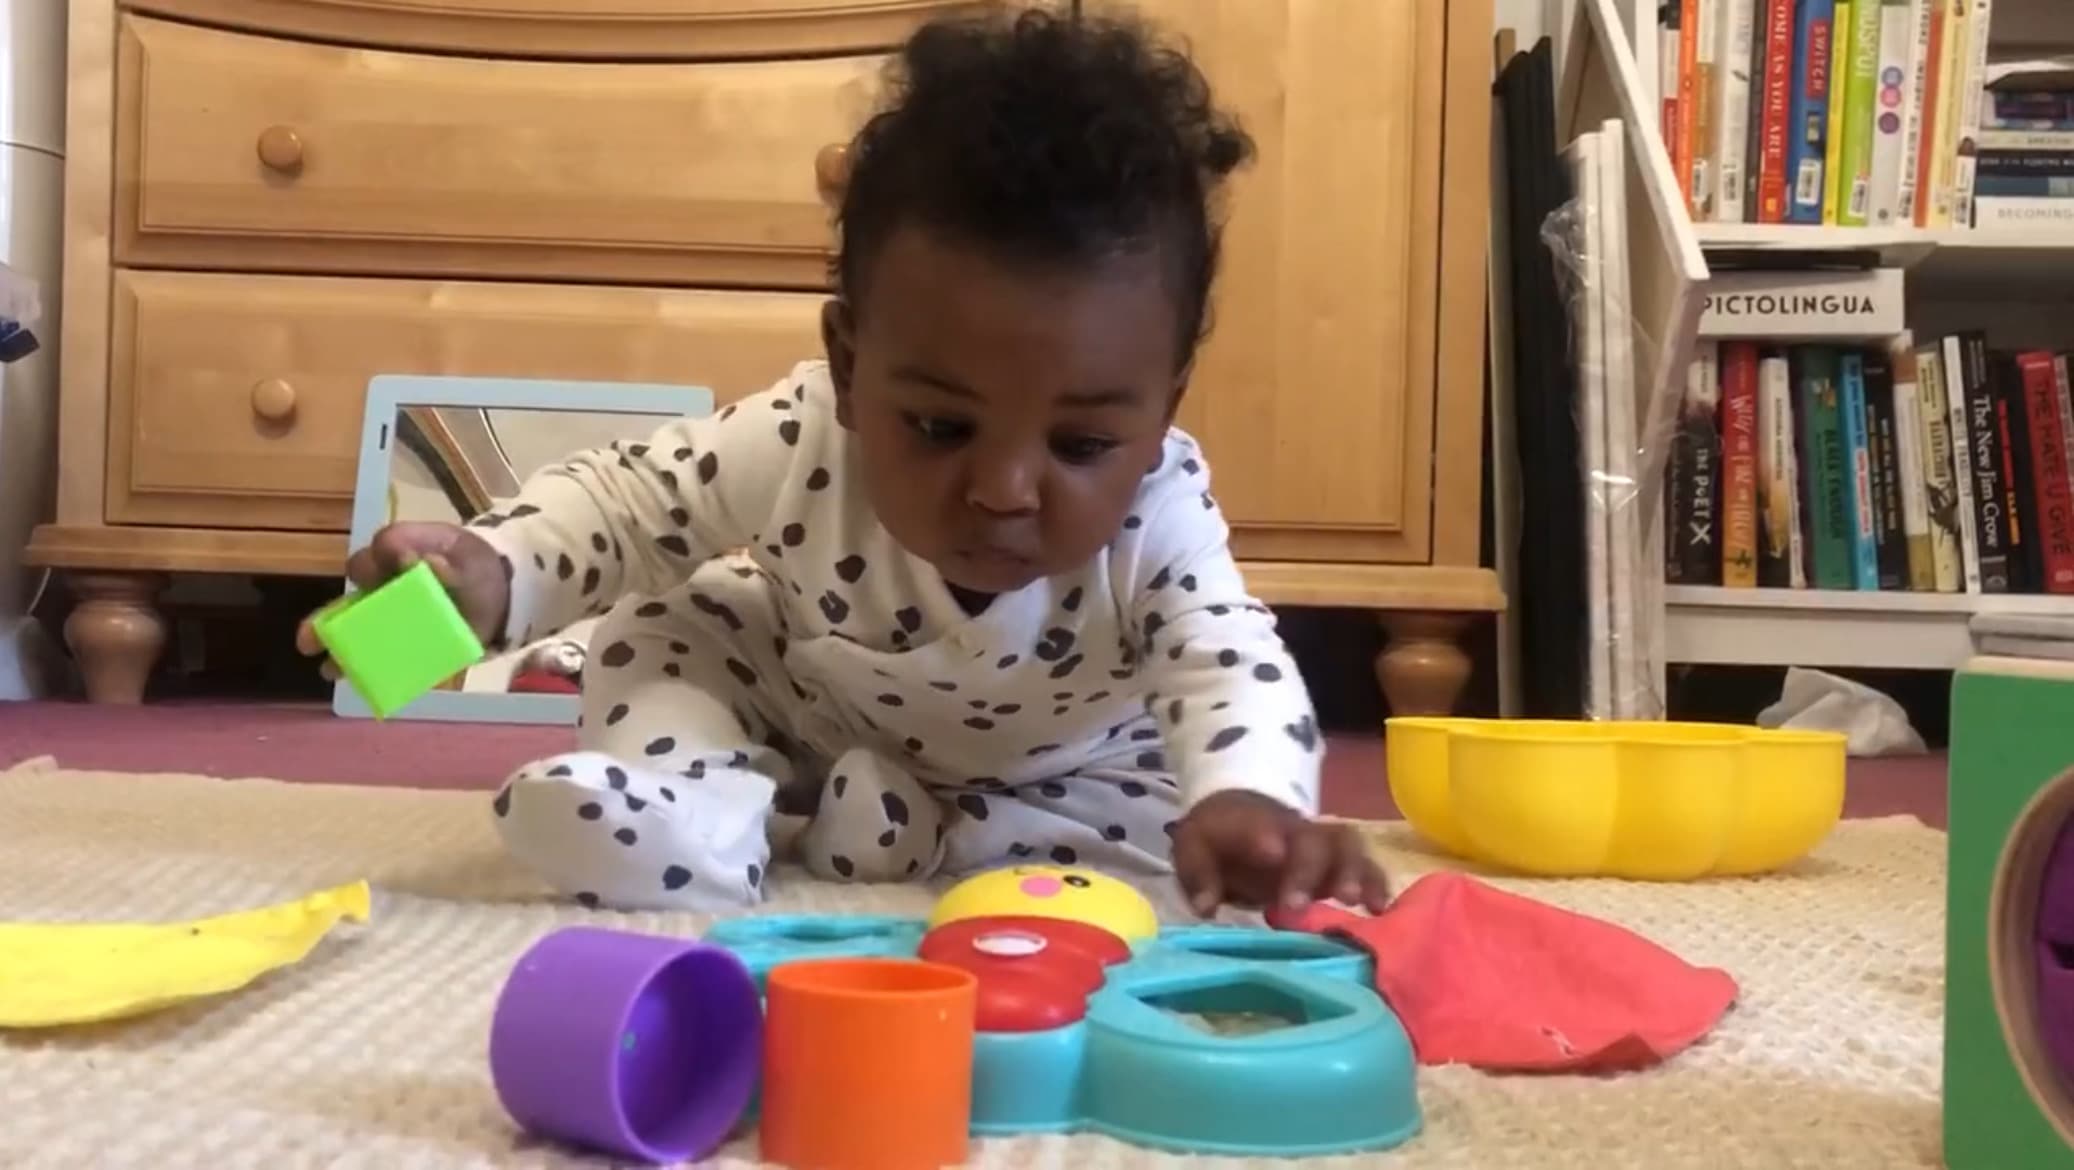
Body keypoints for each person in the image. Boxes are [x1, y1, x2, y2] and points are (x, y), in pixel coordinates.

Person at [299, 7, 1390, 918]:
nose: (1005, 489)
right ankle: (698, 811)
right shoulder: (800, 434)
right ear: (849, 362)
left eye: (1082, 443)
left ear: (1161, 414)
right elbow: (631, 505)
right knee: (662, 627)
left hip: (1061, 776)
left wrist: (1251, 800)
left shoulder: (1162, 511)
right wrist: (491, 572)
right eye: (939, 425)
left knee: (1159, 832)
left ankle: (915, 833)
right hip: (827, 721)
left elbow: (1222, 655)